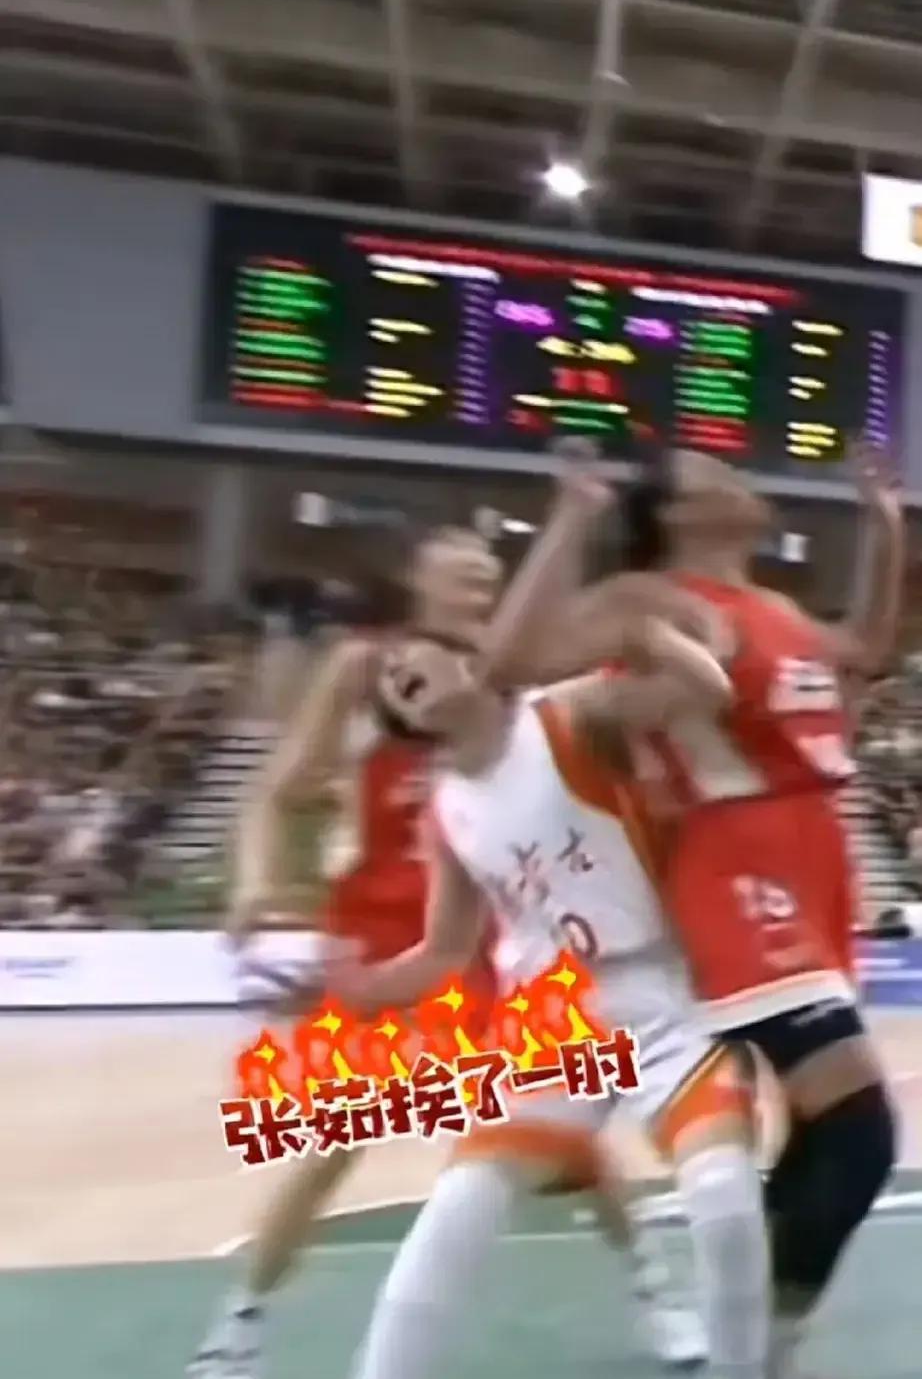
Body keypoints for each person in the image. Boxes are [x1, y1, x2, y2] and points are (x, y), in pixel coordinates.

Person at [188, 525, 703, 1378]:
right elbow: (276, 790)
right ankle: (236, 1331)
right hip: (387, 935)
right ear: (417, 581)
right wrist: (255, 881)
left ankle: (659, 1292)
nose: (479, 590)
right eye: (462, 576)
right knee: (331, 1144)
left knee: (569, 1146)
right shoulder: (367, 668)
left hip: (494, 941)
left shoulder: (514, 674)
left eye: (489, 577)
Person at [489, 445, 903, 1377]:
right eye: (711, 472)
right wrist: (572, 514)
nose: (738, 476)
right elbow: (513, 661)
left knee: (808, 1131)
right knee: (859, 1130)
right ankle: (762, 1342)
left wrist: (880, 527)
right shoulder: (651, 598)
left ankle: (746, 1327)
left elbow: (865, 650)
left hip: (814, 863)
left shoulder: (775, 607)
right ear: (675, 513)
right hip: (735, 861)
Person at [334, 620, 770, 1379]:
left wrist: (647, 625)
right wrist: (360, 988)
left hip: (663, 988)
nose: (394, 669)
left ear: (471, 656)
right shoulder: (445, 809)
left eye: (408, 655)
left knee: (725, 1195)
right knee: (462, 1201)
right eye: (386, 677)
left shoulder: (567, 712)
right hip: (555, 1019)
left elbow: (705, 688)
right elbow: (445, 948)